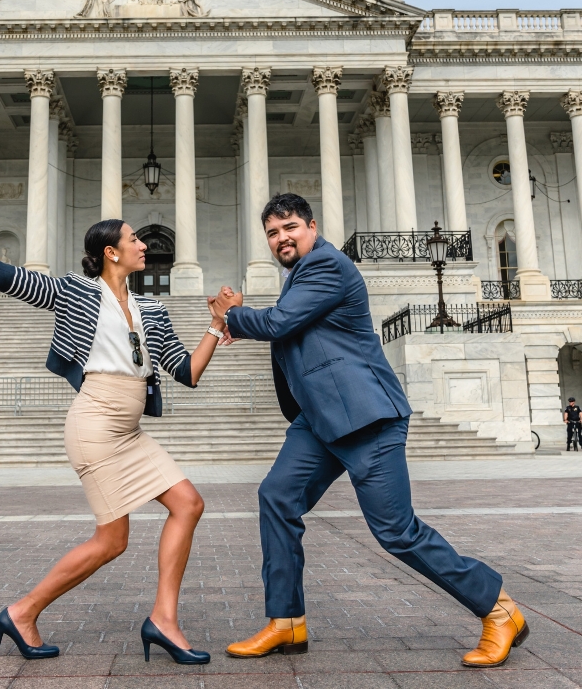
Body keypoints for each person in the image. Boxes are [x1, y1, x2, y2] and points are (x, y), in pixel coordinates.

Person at [208, 193, 529, 669]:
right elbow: (287, 327)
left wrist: (230, 314)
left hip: (367, 419)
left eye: (290, 227)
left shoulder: (326, 267)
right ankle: (286, 621)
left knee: (396, 532)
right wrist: (246, 321)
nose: (282, 238)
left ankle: (500, 610)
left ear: (312, 227)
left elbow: (279, 322)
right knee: (276, 498)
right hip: (319, 420)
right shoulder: (300, 275)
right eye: (273, 233)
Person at [0, 218, 230, 664]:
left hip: (129, 431)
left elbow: (185, 372)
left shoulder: (151, 309)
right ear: (111, 252)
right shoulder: (77, 292)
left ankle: (162, 620)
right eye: (134, 240)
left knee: (188, 504)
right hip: (94, 423)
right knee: (112, 541)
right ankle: (23, 611)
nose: (143, 245)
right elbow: (8, 276)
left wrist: (215, 323)